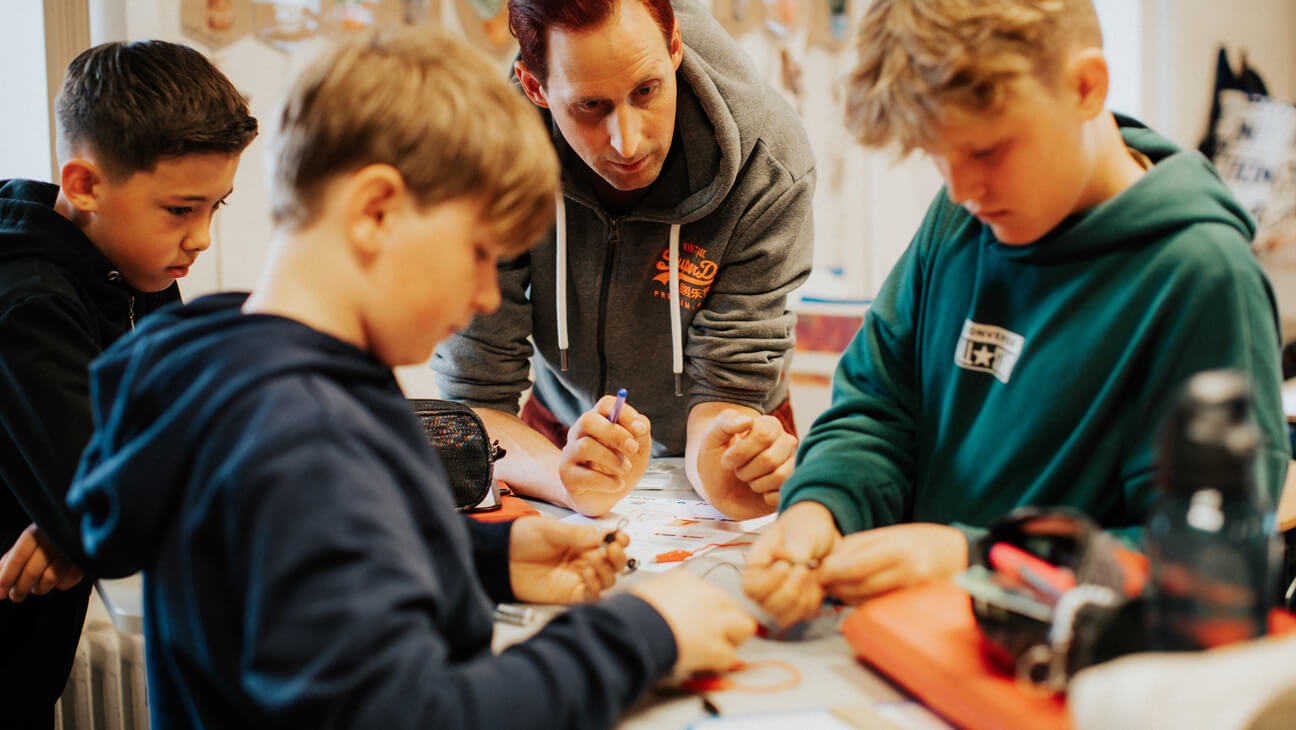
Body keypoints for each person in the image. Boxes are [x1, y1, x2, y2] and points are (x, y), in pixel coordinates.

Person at [66, 30, 754, 729]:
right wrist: (643, 631)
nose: (489, 295)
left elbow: (304, 562)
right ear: (376, 212)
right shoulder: (303, 435)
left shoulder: (223, 362)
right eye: (480, 252)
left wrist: (486, 556)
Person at [744, 0, 1291, 628]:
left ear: (1086, 87)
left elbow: (1208, 570)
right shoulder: (962, 217)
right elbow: (879, 411)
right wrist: (820, 508)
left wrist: (973, 557)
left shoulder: (1201, 276)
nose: (961, 190)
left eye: (988, 151)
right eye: (937, 155)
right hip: (909, 647)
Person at [432, 0, 814, 520]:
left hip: (731, 427)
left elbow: (729, 383)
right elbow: (472, 401)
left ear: (674, 44)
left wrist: (725, 470)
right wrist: (564, 479)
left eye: (646, 91)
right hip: (558, 435)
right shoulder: (488, 163)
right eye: (590, 106)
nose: (627, 142)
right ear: (535, 87)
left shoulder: (767, 160)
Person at [0, 40, 256, 726]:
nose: (200, 238)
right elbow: (116, 512)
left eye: (216, 207)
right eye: (181, 209)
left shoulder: (132, 271)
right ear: (84, 185)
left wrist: (81, 520)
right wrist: (93, 518)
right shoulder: (27, 303)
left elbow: (189, 420)